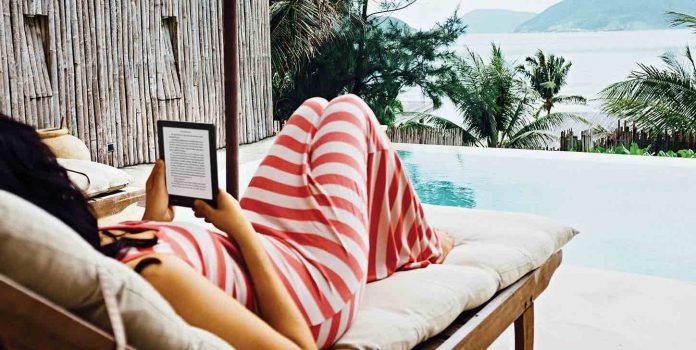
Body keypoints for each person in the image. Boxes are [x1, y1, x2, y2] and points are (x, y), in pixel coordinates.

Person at [0, 94, 454, 350]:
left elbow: (147, 251)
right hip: (309, 282)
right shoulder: (149, 280)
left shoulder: (65, 252)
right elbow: (297, 347)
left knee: (313, 110)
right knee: (348, 111)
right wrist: (240, 228)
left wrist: (155, 218)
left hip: (269, 248)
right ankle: (423, 245)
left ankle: (390, 245)